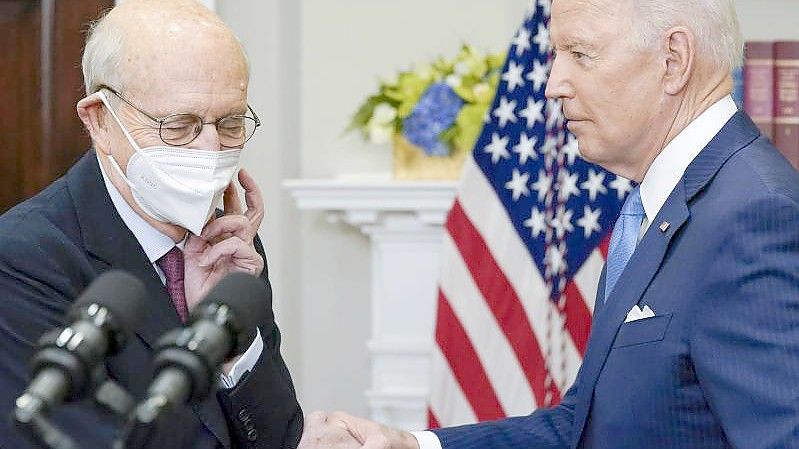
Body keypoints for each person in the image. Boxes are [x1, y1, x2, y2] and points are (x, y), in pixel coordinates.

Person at [298, 0, 799, 448]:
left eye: (580, 54)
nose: (553, 84)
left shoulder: (754, 215)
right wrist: (411, 446)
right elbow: (581, 427)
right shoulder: (660, 207)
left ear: (673, 60)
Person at [0, 0, 302, 448]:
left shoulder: (231, 244)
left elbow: (280, 438)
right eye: (178, 126)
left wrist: (232, 350)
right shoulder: (23, 256)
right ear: (100, 120)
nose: (210, 150)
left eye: (231, 122)